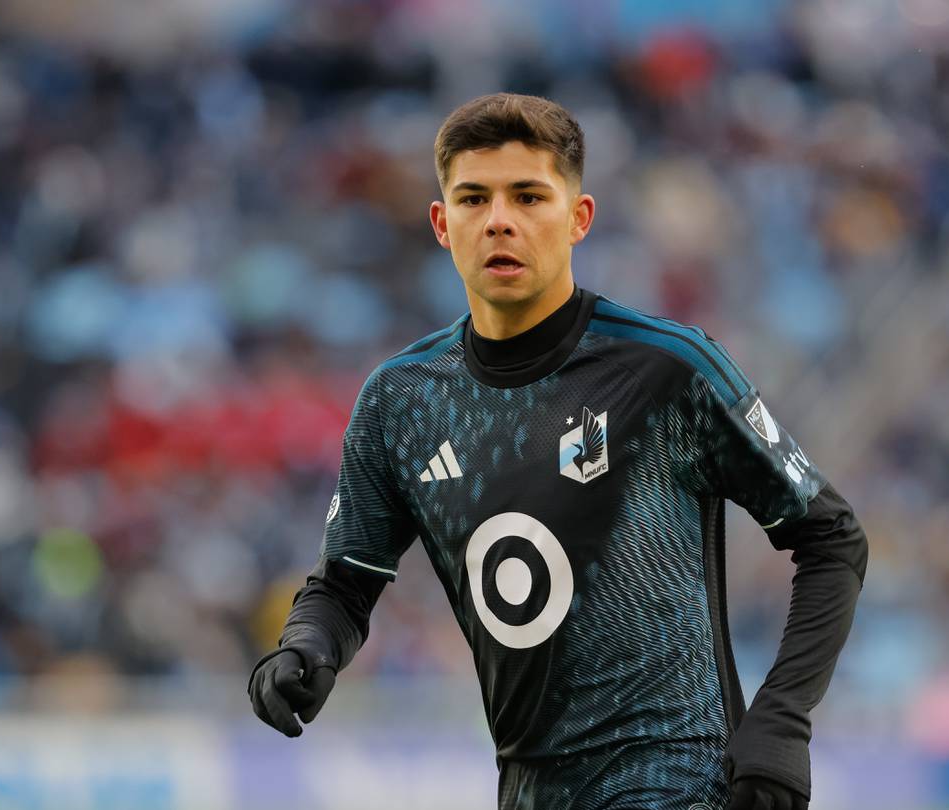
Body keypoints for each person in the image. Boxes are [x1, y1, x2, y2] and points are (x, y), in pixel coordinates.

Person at [248, 92, 868, 810]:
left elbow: (830, 538)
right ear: (443, 225)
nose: (500, 219)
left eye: (528, 196)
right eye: (474, 198)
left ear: (578, 219)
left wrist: (781, 723)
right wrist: (306, 648)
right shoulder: (401, 400)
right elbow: (344, 584)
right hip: (530, 790)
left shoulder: (668, 367)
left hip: (681, 782)